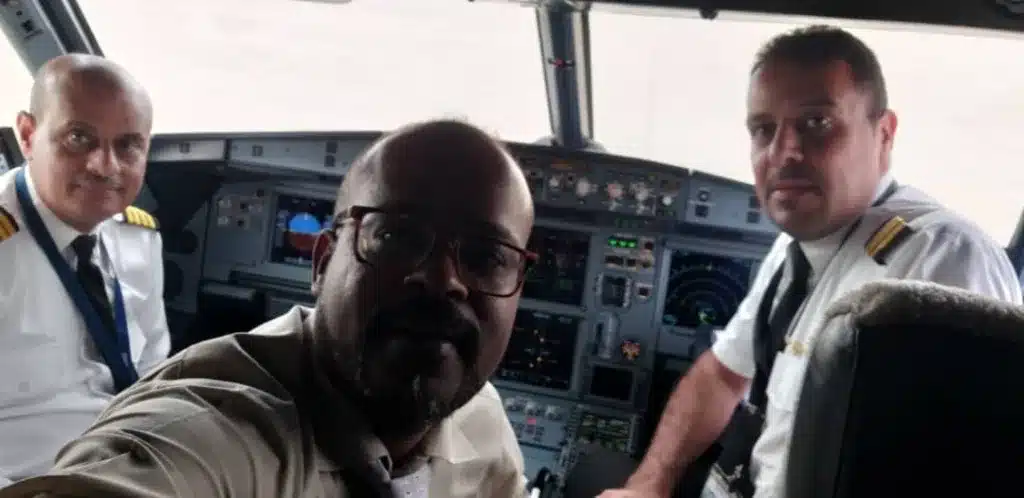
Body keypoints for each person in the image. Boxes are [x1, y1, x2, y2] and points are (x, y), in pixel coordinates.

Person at [0, 119, 537, 497]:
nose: (443, 280)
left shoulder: (478, 413)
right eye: (396, 235)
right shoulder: (210, 434)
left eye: (486, 256)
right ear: (323, 261)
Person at [597, 25, 1023, 498]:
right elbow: (722, 375)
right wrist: (651, 483)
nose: (783, 153)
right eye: (764, 129)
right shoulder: (796, 245)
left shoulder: (944, 260)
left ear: (884, 133)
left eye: (816, 123)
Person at [0, 54, 169, 485]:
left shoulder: (139, 240)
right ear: (27, 134)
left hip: (128, 467)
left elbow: (152, 371)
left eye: (129, 144)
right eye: (79, 138)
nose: (105, 166)